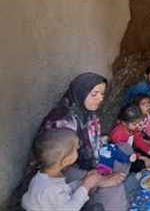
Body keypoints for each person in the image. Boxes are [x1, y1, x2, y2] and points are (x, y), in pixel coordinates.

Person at [37, 73, 128, 211]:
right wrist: (97, 179)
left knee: (124, 149)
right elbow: (59, 165)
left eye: (102, 94)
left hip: (89, 162)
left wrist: (102, 161)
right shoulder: (62, 120)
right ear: (81, 92)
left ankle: (99, 190)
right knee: (115, 188)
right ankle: (100, 197)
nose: (100, 98)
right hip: (68, 169)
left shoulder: (88, 112)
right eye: (95, 94)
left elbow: (95, 143)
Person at [21, 129, 103, 211]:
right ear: (66, 161)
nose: (78, 150)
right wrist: (86, 187)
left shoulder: (42, 177)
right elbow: (70, 208)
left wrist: (82, 182)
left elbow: (64, 190)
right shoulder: (51, 189)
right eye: (76, 149)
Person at [109, 104, 150, 172]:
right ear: (124, 123)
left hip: (130, 153)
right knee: (142, 165)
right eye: (135, 124)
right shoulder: (118, 135)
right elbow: (124, 154)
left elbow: (139, 141)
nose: (137, 125)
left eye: (138, 123)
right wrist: (143, 158)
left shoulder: (133, 128)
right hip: (121, 159)